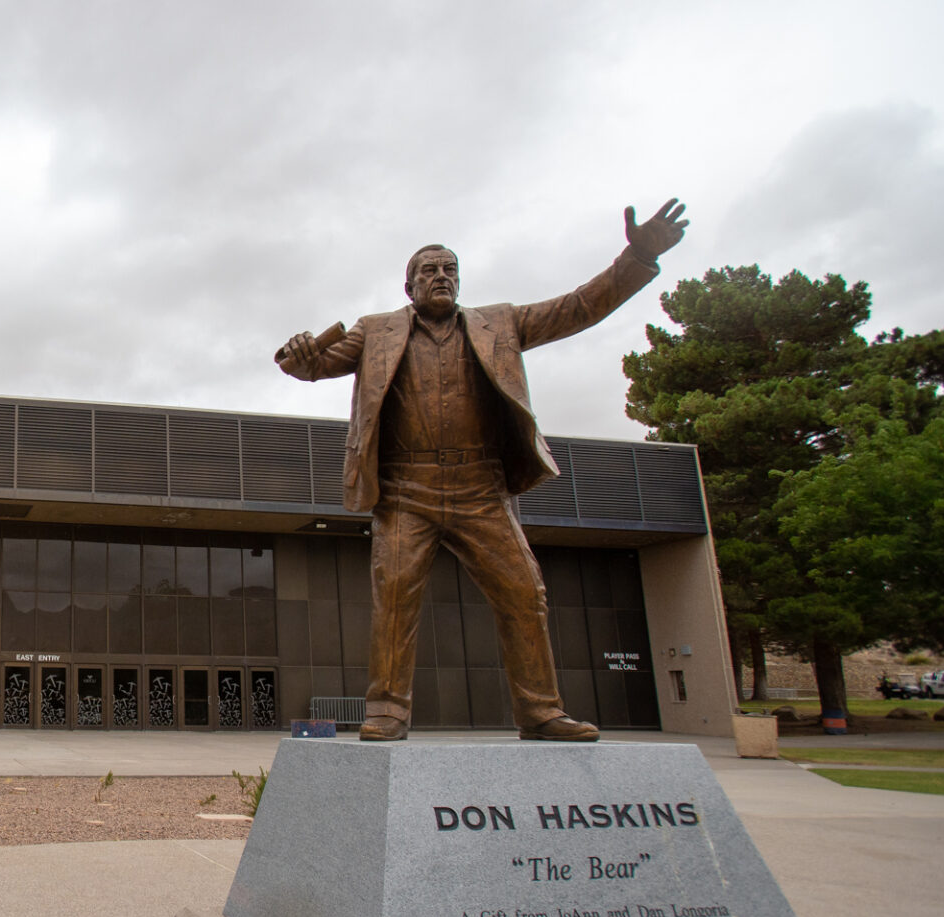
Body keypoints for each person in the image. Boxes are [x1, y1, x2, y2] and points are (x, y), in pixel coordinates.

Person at [275, 200, 689, 741]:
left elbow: (579, 307)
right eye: (429, 270)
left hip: (480, 489)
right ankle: (387, 711)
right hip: (405, 490)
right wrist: (300, 354)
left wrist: (637, 257)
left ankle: (540, 711)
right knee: (394, 597)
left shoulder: (502, 323)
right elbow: (312, 366)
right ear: (410, 287)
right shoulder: (375, 331)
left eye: (449, 269)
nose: (440, 276)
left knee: (524, 593)